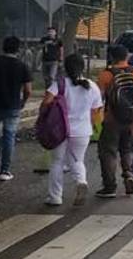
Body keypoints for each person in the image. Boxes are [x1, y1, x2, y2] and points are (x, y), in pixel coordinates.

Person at [42, 54, 104, 206]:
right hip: (83, 130)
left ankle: (55, 197)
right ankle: (81, 181)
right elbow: (96, 111)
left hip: (60, 129)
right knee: (77, 160)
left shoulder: (59, 84)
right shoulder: (92, 86)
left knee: (57, 161)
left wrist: (46, 116)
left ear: (66, 67)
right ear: (82, 67)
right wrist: (91, 124)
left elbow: (46, 102)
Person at [95, 44, 133, 198]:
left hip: (111, 119)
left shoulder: (105, 75)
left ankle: (109, 186)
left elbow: (99, 97)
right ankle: (129, 175)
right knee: (128, 149)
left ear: (112, 57)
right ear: (127, 56)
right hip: (132, 119)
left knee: (108, 152)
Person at [0, 36, 33, 181]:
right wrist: (23, 101)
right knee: (9, 136)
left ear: (3, 47)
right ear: (18, 49)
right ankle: (5, 170)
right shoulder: (22, 66)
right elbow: (28, 90)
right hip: (12, 106)